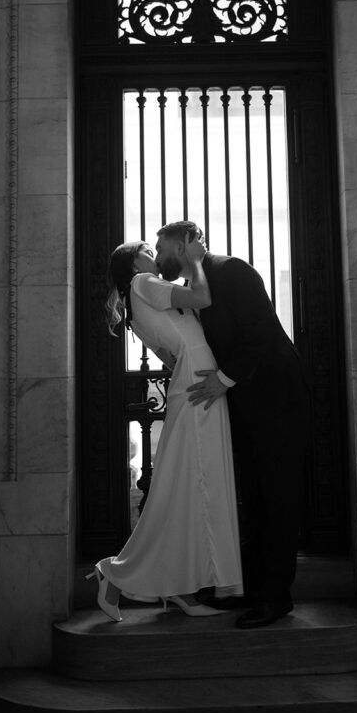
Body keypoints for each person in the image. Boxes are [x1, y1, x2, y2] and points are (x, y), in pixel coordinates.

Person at [155, 220, 311, 629]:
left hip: (277, 400)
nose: (159, 258)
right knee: (254, 502)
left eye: (164, 248)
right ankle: (255, 591)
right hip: (244, 406)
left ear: (188, 241)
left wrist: (223, 381)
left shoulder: (234, 270)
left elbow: (260, 333)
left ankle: (277, 599)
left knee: (277, 500)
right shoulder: (195, 293)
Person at [87, 236, 243, 622]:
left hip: (192, 379)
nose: (153, 255)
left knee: (189, 486)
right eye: (146, 252)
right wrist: (195, 261)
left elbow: (170, 357)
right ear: (133, 264)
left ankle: (179, 587)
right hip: (197, 382)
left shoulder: (138, 300)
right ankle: (117, 574)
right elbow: (202, 300)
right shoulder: (144, 284)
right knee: (191, 483)